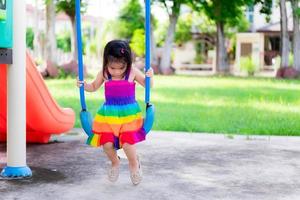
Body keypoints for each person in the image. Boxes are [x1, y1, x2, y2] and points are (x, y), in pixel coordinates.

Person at [77, 40, 153, 185]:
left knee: (127, 143)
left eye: (121, 68)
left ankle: (133, 163)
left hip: (128, 115)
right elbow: (93, 86)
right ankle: (114, 162)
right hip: (109, 115)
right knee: (106, 143)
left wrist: (150, 76)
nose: (117, 71)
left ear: (128, 63)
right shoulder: (105, 73)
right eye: (113, 68)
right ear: (106, 62)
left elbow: (148, 84)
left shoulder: (132, 73)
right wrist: (84, 85)